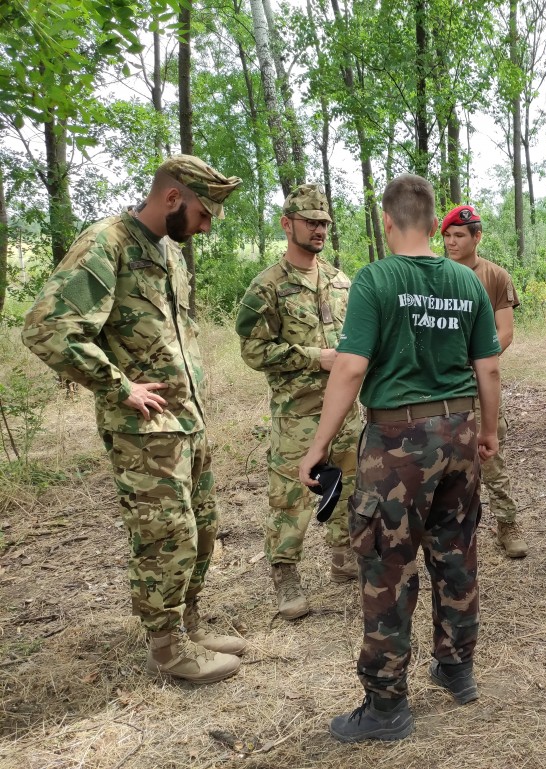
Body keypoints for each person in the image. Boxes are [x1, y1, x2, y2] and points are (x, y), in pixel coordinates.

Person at [22, 155, 246, 684]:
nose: (207, 225)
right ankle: (167, 649)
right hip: (143, 433)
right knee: (165, 536)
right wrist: (117, 386)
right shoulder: (108, 243)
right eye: (202, 213)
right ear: (172, 199)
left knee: (201, 531)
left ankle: (189, 627)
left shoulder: (167, 251)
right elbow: (46, 328)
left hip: (187, 422)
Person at [297, 174, 502, 743]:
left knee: (388, 566)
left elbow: (352, 366)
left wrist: (317, 447)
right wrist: (488, 432)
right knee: (456, 550)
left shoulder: (376, 279)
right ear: (435, 223)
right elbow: (488, 367)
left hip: (397, 445)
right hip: (459, 433)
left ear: (388, 221)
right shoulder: (465, 282)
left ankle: (387, 706)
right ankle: (457, 669)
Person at [235, 183, 363, 620]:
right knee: (291, 497)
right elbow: (252, 351)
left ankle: (344, 558)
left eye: (324, 223)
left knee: (350, 486)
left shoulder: (342, 281)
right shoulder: (267, 286)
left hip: (345, 410)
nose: (319, 229)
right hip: (298, 414)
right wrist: (315, 358)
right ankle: (285, 575)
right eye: (310, 222)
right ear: (287, 224)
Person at [441, 204, 527, 559]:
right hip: (440, 385)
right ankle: (454, 529)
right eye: (446, 236)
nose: (450, 242)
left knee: (488, 457)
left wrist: (474, 364)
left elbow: (504, 334)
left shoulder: (494, 276)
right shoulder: (435, 273)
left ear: (477, 236)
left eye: (458, 235)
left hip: (476, 384)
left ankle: (507, 523)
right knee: (443, 458)